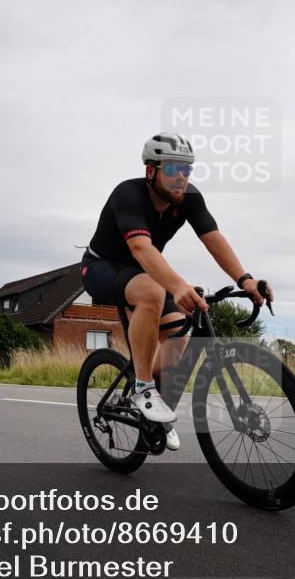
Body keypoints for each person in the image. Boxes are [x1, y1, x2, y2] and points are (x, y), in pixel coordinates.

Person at [80, 132, 273, 451]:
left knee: (178, 340)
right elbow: (141, 248)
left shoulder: (190, 199)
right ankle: (143, 388)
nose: (182, 176)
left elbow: (214, 239)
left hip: (144, 271)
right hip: (102, 267)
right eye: (173, 169)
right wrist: (178, 285)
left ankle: (156, 414)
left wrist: (245, 279)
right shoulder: (127, 194)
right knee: (152, 293)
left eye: (188, 169)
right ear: (151, 171)